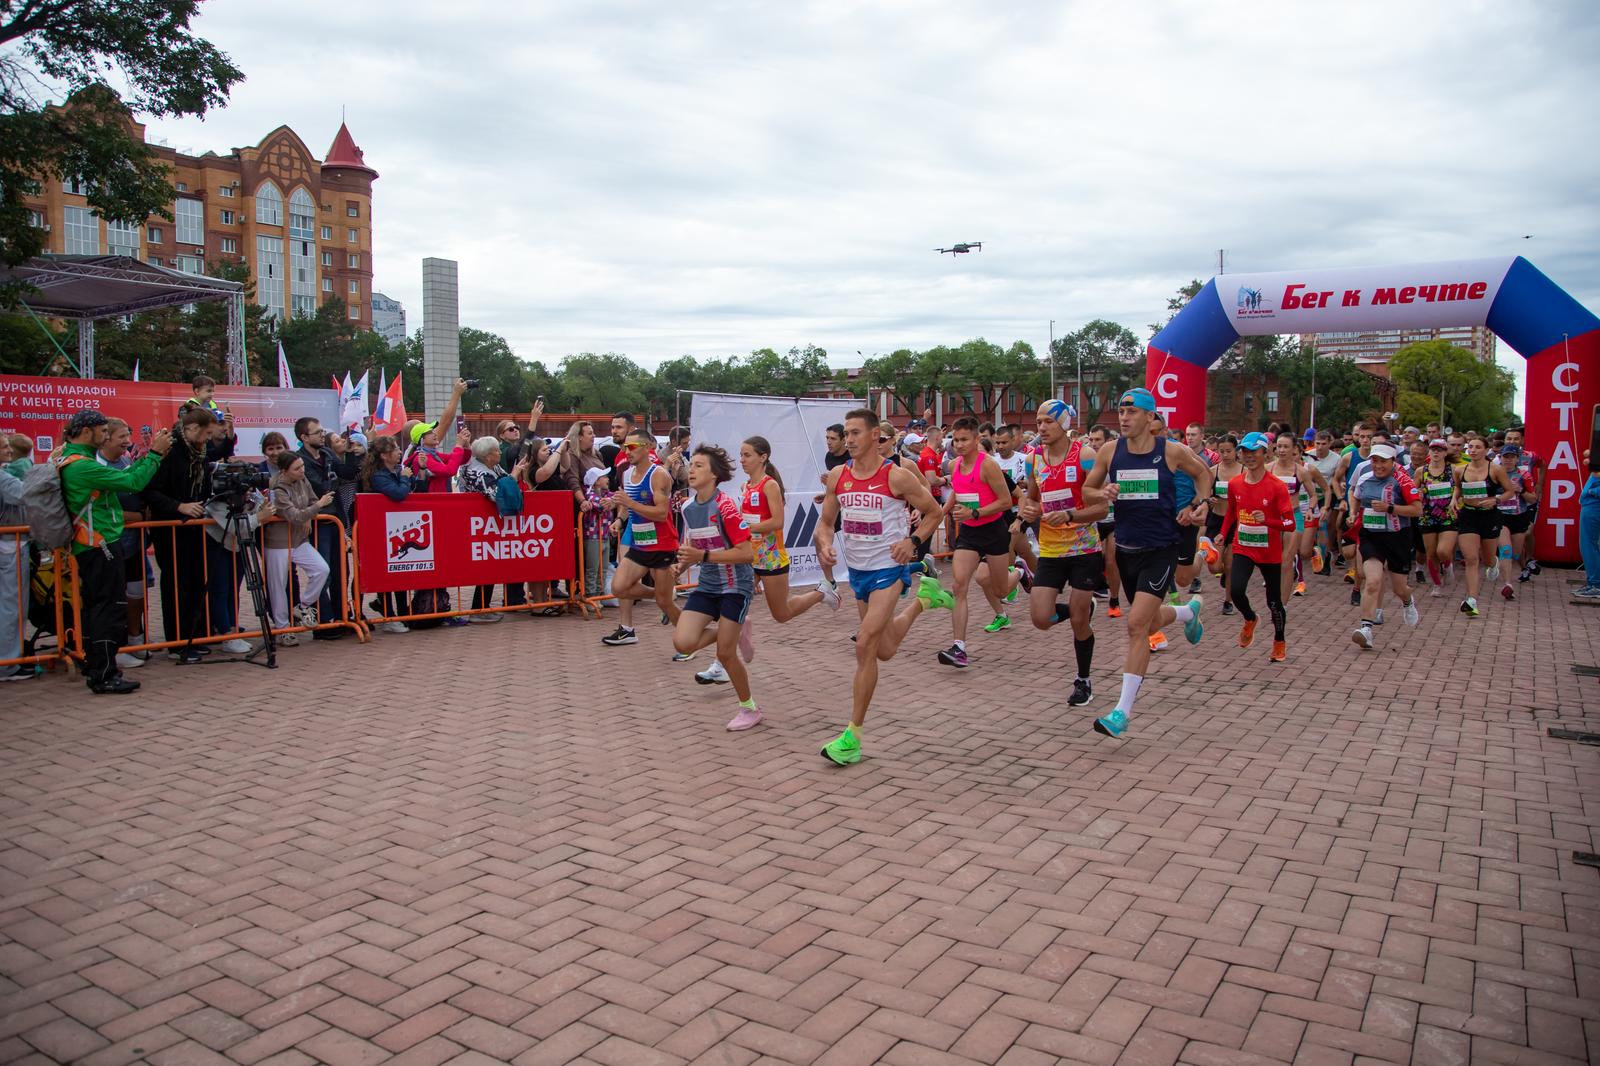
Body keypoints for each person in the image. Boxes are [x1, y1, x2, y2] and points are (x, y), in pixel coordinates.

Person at [813, 408, 951, 766]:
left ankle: (852, 737)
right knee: (884, 649)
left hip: (889, 569)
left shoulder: (897, 476)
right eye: (847, 433)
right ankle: (924, 600)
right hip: (857, 571)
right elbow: (825, 523)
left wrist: (914, 541)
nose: (850, 439)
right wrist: (825, 544)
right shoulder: (838, 476)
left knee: (865, 645)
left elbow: (935, 512)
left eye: (857, 432)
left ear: (876, 436)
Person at [1078, 388, 1211, 739]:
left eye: (1132, 411)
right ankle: (1187, 612)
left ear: (1151, 419)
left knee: (1136, 626)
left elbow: (1203, 475)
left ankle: (1122, 712)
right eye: (1121, 410)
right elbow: (1088, 491)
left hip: (1161, 548)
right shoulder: (1111, 450)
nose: (1124, 417)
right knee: (1149, 620)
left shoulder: (1170, 451)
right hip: (1126, 549)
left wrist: (1200, 503)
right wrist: (1102, 493)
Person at [58, 410, 171, 693]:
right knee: (107, 610)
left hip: (97, 544)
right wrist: (155, 455)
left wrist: (147, 458)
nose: (106, 436)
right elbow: (132, 482)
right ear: (87, 431)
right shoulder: (82, 466)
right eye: (103, 432)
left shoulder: (76, 460)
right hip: (99, 546)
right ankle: (104, 673)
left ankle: (99, 667)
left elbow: (125, 476)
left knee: (102, 607)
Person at [1018, 399, 1107, 706]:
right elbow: (1031, 498)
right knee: (1041, 618)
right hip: (1052, 551)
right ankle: (1081, 611)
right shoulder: (1033, 460)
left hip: (1084, 549)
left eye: (1048, 422)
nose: (1041, 427)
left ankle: (1083, 680)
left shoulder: (1084, 455)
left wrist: (1070, 515)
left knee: (1079, 622)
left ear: (1065, 424)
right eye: (1038, 421)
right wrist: (1026, 513)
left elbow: (1102, 507)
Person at [672, 445, 764, 730]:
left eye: (699, 466)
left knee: (725, 654)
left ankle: (749, 709)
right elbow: (695, 545)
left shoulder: (726, 507)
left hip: (736, 586)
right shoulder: (688, 507)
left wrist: (703, 557)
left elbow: (747, 553)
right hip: (708, 585)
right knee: (683, 643)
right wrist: (682, 566)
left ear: (714, 475)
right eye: (692, 465)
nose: (692, 470)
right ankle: (732, 631)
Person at [936, 416, 1020, 668]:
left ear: (976, 439)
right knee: (959, 586)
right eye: (955, 440)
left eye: (964, 440)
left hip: (994, 531)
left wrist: (975, 512)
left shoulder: (988, 465)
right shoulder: (953, 466)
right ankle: (959, 647)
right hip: (970, 534)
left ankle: (1019, 572)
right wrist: (939, 513)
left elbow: (1006, 501)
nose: (959, 445)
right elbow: (958, 495)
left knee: (1000, 590)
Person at [144, 406, 219, 662]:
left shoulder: (200, 453)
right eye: (207, 433)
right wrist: (179, 506)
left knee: (196, 581)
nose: (209, 438)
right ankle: (177, 641)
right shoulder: (170, 451)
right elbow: (150, 491)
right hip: (170, 527)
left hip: (195, 526)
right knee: (177, 584)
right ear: (193, 428)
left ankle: (195, 635)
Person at [602, 429, 682, 646]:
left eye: (632, 447)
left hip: (662, 544)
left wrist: (630, 504)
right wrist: (619, 517)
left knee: (665, 602)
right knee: (619, 587)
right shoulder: (627, 474)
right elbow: (628, 507)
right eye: (624, 447)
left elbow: (661, 513)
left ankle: (688, 639)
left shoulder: (659, 475)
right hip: (639, 542)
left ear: (647, 448)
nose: (626, 451)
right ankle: (659, 594)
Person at [1222, 433, 1294, 662]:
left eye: (1254, 452)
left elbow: (1290, 523)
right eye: (1245, 452)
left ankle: (1279, 640)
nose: (1249, 456)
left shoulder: (1277, 487)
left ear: (1265, 453)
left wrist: (1267, 521)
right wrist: (1222, 534)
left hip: (1269, 551)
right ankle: (1250, 618)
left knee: (1273, 601)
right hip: (1243, 546)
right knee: (1236, 590)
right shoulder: (1235, 483)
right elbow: (1232, 512)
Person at [1350, 443, 1422, 649]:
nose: (1378, 465)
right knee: (1372, 582)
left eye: (1383, 461)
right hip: (1371, 536)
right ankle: (1366, 629)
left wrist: (1390, 508)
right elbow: (1355, 496)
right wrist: (1353, 513)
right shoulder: (1365, 478)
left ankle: (1407, 600)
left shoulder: (1403, 481)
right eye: (1374, 460)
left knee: (1399, 587)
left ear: (1393, 462)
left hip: (1398, 537)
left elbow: (1417, 510)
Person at [460, 435, 532, 622]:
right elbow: (495, 494)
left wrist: (513, 475)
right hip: (477, 525)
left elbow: (504, 479)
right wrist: (514, 476)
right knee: (484, 566)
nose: (500, 452)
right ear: (487, 456)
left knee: (490, 565)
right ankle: (478, 609)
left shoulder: (493, 467)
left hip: (489, 526)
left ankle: (483, 607)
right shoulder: (477, 472)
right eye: (497, 451)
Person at [265, 453, 333, 646]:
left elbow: (310, 501)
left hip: (299, 539)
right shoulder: (277, 488)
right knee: (278, 585)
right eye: (297, 468)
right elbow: (292, 514)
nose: (302, 470)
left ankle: (303, 605)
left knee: (321, 569)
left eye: (302, 466)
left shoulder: (303, 480)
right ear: (284, 471)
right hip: (278, 541)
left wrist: (310, 514)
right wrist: (318, 506)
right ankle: (283, 628)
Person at [1452, 436, 1518, 618]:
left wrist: (1495, 499)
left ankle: (1493, 563)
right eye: (1470, 447)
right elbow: (1458, 488)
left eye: (1477, 447)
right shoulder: (1460, 470)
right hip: (1468, 515)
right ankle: (1471, 601)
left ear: (1486, 450)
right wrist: (1453, 499)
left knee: (1487, 559)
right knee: (1471, 559)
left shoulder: (1496, 469)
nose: (1472, 450)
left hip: (1489, 516)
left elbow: (1509, 491)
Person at [360, 436, 418, 633]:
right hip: (380, 530)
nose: (399, 452)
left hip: (396, 529)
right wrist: (404, 477)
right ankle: (388, 615)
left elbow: (408, 491)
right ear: (384, 455)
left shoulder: (394, 471)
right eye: (394, 449)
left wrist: (410, 477)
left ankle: (402, 614)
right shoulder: (378, 475)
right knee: (385, 574)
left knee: (399, 573)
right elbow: (398, 494)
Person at [1267, 433, 1328, 601]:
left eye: (1286, 447)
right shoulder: (1268, 469)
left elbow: (1314, 495)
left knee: (1287, 562)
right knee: (1275, 561)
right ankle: (1275, 595)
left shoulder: (1301, 471)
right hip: (1273, 519)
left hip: (1293, 517)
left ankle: (1282, 604)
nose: (1282, 450)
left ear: (1294, 449)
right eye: (1279, 446)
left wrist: (1310, 509)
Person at [1491, 444, 1538, 599]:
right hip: (1500, 516)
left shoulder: (1524, 475)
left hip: (1519, 516)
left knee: (1516, 554)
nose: (1509, 460)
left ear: (1518, 458)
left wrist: (1521, 490)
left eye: (1512, 457)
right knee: (1506, 550)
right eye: (1506, 457)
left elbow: (1533, 498)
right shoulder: (1494, 474)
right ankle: (1507, 584)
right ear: (1500, 458)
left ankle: (1517, 565)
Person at [1084, 424, 1122, 617]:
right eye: (1090, 440)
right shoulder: (1087, 464)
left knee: (1111, 560)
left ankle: (1114, 600)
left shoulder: (1115, 461)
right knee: (1091, 562)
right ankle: (1089, 598)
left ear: (1107, 441)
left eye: (1097, 440)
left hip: (1115, 519)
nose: (1093, 444)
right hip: (1094, 519)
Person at [1414, 439, 1458, 596]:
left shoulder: (1453, 470)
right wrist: (1417, 494)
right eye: (1433, 449)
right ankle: (1437, 584)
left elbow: (1460, 489)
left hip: (1448, 515)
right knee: (1431, 554)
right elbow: (1413, 491)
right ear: (1429, 452)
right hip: (1428, 516)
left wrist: (1455, 500)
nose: (1436, 452)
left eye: (1440, 450)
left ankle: (1447, 565)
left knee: (1443, 551)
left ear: (1446, 452)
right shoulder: (1421, 471)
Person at [0, 434, 27, 680]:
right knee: (11, 604)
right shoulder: (4, 479)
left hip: (9, 544)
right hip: (8, 546)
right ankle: (8, 662)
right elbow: (25, 494)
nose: (9, 451)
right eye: (4, 447)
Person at [1206, 435, 1242, 614]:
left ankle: (1228, 601)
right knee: (1214, 567)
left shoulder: (1243, 471)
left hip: (1237, 522)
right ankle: (1225, 576)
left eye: (1229, 451)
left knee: (1230, 564)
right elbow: (1204, 495)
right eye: (1222, 451)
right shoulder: (1213, 471)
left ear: (1236, 451)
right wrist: (1208, 500)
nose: (1226, 455)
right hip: (1217, 520)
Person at [1577, 445, 1600, 599]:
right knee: (1588, 545)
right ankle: (1593, 582)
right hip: (1590, 506)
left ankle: (1596, 584)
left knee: (1588, 545)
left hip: (1594, 507)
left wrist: (1592, 492)